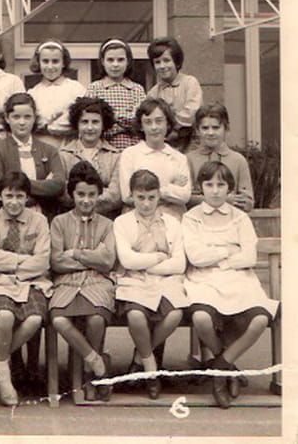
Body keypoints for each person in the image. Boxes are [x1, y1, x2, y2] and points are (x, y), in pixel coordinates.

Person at [182, 161, 279, 409]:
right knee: (201, 318)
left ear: (230, 189)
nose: (215, 190)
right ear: (200, 188)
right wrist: (228, 250)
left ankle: (220, 368)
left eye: (221, 185)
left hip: (239, 279)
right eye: (209, 184)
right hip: (204, 280)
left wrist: (215, 255)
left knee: (260, 319)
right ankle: (229, 368)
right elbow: (196, 257)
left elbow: (249, 257)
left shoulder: (240, 218)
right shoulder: (191, 218)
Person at [113, 169, 187, 400]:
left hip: (165, 279)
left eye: (151, 197)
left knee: (174, 314)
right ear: (131, 196)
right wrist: (157, 257)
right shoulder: (122, 222)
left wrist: (146, 265)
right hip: (134, 281)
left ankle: (139, 359)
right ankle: (151, 367)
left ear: (159, 196)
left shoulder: (172, 223)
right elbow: (127, 260)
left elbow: (179, 263)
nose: (146, 204)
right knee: (136, 315)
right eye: (140, 197)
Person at [0, 171, 51, 406]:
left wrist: (14, 266)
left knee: (34, 319)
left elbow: (42, 260)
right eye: (9, 196)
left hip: (31, 280)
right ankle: (4, 375)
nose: (14, 202)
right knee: (4, 315)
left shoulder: (39, 221)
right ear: (0, 196)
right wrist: (22, 260)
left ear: (27, 197)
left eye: (19, 196)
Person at [49, 162, 116, 402]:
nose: (86, 200)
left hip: (97, 282)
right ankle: (96, 362)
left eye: (91, 195)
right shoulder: (59, 223)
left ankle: (88, 377)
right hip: (66, 283)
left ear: (99, 195)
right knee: (59, 319)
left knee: (96, 318)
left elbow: (107, 261)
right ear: (72, 194)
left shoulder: (107, 225)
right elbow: (57, 261)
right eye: (81, 194)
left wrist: (76, 253)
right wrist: (91, 258)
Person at [0, 92, 65, 220]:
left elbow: (58, 185)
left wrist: (14, 186)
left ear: (34, 118)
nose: (22, 122)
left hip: (44, 217)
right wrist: (43, 187)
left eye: (27, 117)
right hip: (8, 219)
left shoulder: (49, 151)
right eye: (16, 117)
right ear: (7, 118)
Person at [118, 98, 191, 220]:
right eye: (148, 122)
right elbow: (127, 196)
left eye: (159, 121)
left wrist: (144, 191)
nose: (154, 127)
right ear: (141, 126)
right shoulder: (130, 155)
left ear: (167, 124)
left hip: (172, 219)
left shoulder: (179, 158)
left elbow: (185, 196)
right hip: (138, 220)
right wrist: (171, 187)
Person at [59, 97, 122, 218]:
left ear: (103, 125)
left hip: (106, 220)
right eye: (84, 122)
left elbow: (115, 196)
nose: (90, 127)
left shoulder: (115, 156)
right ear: (77, 124)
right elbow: (61, 192)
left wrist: (82, 199)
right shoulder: (63, 154)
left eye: (95, 122)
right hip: (71, 220)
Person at [187, 103, 254, 212]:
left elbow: (248, 202)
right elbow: (186, 199)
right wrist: (225, 200)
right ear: (197, 130)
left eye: (216, 128)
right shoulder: (188, 159)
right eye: (205, 128)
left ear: (226, 129)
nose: (210, 133)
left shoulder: (238, 160)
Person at [85, 38, 146, 150]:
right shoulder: (95, 88)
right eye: (110, 60)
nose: (115, 64)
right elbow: (94, 120)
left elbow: (139, 120)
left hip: (132, 147)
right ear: (102, 61)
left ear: (128, 61)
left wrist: (112, 118)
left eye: (120, 60)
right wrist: (124, 121)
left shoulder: (137, 89)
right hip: (103, 148)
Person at [146, 36, 202, 152]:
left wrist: (166, 122)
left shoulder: (190, 83)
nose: (162, 66)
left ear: (176, 61)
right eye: (157, 62)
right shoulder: (153, 93)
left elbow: (190, 115)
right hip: (163, 147)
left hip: (190, 144)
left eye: (166, 60)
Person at [26, 39, 86, 147]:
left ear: (63, 63)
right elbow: (32, 123)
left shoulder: (76, 89)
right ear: (38, 63)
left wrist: (48, 126)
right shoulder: (33, 93)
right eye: (45, 61)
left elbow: (78, 121)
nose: (50, 67)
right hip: (40, 148)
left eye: (55, 61)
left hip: (69, 148)